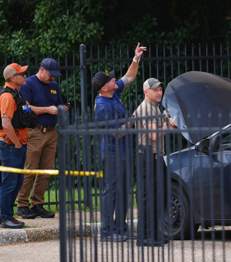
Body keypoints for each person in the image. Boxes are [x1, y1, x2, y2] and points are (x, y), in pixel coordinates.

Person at [93, 43, 147, 242]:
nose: (115, 79)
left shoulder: (113, 92)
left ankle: (121, 227)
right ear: (103, 87)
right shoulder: (102, 107)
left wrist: (136, 58)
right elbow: (118, 134)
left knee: (124, 189)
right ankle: (107, 231)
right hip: (113, 152)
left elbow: (129, 77)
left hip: (123, 152)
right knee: (112, 190)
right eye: (110, 79)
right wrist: (133, 119)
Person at [16, 58, 66, 219]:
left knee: (45, 171)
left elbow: (58, 105)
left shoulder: (54, 86)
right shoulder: (28, 84)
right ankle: (22, 204)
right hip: (35, 131)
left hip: (51, 132)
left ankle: (37, 204)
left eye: (55, 76)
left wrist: (61, 109)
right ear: (42, 70)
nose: (53, 78)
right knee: (30, 169)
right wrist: (47, 110)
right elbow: (26, 107)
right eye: (51, 75)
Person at [134, 78, 176, 247]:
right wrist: (168, 127)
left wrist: (166, 123)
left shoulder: (155, 107)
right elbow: (153, 134)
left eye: (160, 89)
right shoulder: (146, 108)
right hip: (147, 157)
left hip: (156, 157)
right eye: (155, 90)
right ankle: (144, 236)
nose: (159, 93)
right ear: (146, 92)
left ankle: (155, 232)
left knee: (161, 194)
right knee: (148, 197)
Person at [0, 63, 35, 228]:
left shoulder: (16, 93)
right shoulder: (7, 97)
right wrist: (17, 144)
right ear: (12, 77)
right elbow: (6, 124)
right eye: (22, 74)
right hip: (11, 145)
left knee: (16, 182)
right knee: (9, 182)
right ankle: (5, 217)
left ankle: (7, 215)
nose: (25, 76)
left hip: (17, 144)